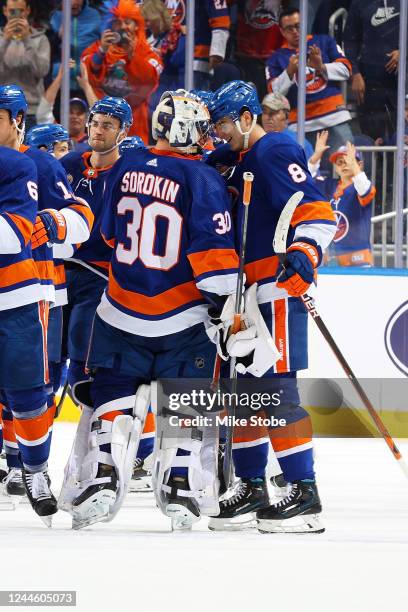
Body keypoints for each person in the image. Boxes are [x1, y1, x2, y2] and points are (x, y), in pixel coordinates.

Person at [58, 90, 247, 531]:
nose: (204, 136)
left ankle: (103, 473)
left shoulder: (125, 166)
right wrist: (227, 308)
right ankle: (179, 480)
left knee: (115, 398)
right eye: (198, 127)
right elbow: (215, 259)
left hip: (119, 311)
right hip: (182, 319)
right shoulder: (201, 179)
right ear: (183, 129)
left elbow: (107, 234)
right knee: (183, 402)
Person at [207, 80, 337, 533]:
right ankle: (251, 485)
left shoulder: (274, 150)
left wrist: (305, 254)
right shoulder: (242, 158)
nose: (218, 131)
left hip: (276, 287)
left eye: (224, 122)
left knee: (278, 390)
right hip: (246, 295)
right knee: (247, 394)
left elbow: (317, 210)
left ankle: (304, 491)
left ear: (247, 118)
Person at [0, 84, 93, 519]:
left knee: (29, 389)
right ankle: (12, 462)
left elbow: (81, 218)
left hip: (26, 289)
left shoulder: (36, 163)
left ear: (18, 121)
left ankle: (33, 469)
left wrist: (56, 222)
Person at [266, 6, 353, 153]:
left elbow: (346, 70)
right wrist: (289, 72)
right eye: (289, 28)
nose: (295, 31)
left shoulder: (325, 41)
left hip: (334, 115)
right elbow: (273, 94)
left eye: (298, 26)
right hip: (300, 124)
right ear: (281, 31)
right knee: (308, 169)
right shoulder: (275, 58)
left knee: (349, 163)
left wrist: (321, 66)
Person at [81, 0, 163, 143]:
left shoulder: (149, 53)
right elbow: (87, 75)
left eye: (127, 22)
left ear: (137, 25)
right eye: (118, 23)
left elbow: (149, 81)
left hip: (134, 126)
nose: (123, 27)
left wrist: (133, 57)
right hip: (102, 125)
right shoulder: (100, 47)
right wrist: (101, 52)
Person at [344, 0, 400, 142]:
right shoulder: (359, 3)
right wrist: (355, 73)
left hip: (401, 79)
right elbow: (350, 41)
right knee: (371, 140)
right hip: (369, 80)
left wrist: (404, 51)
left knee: (402, 137)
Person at [322, 142, 375, 267]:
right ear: (335, 167)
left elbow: (364, 188)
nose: (344, 165)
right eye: (339, 162)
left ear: (359, 164)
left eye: (348, 161)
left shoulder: (361, 186)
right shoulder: (329, 185)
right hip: (333, 256)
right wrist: (315, 157)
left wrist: (354, 167)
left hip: (359, 256)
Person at [0, 0, 50, 129]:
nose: (16, 16)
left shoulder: (40, 39)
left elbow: (42, 71)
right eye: (12, 11)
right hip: (1, 110)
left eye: (21, 11)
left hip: (30, 111)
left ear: (28, 11)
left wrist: (27, 40)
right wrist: (4, 40)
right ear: (5, 11)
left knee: (27, 149)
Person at [260, 91, 330, 176]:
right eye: (265, 112)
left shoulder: (298, 143)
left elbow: (312, 178)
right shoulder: (255, 140)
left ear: (286, 116)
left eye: (273, 112)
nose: (268, 117)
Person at [50, 0, 101, 95]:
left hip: (88, 82)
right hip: (61, 83)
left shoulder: (95, 16)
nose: (74, 3)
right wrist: (57, 37)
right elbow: (48, 54)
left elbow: (103, 49)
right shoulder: (56, 17)